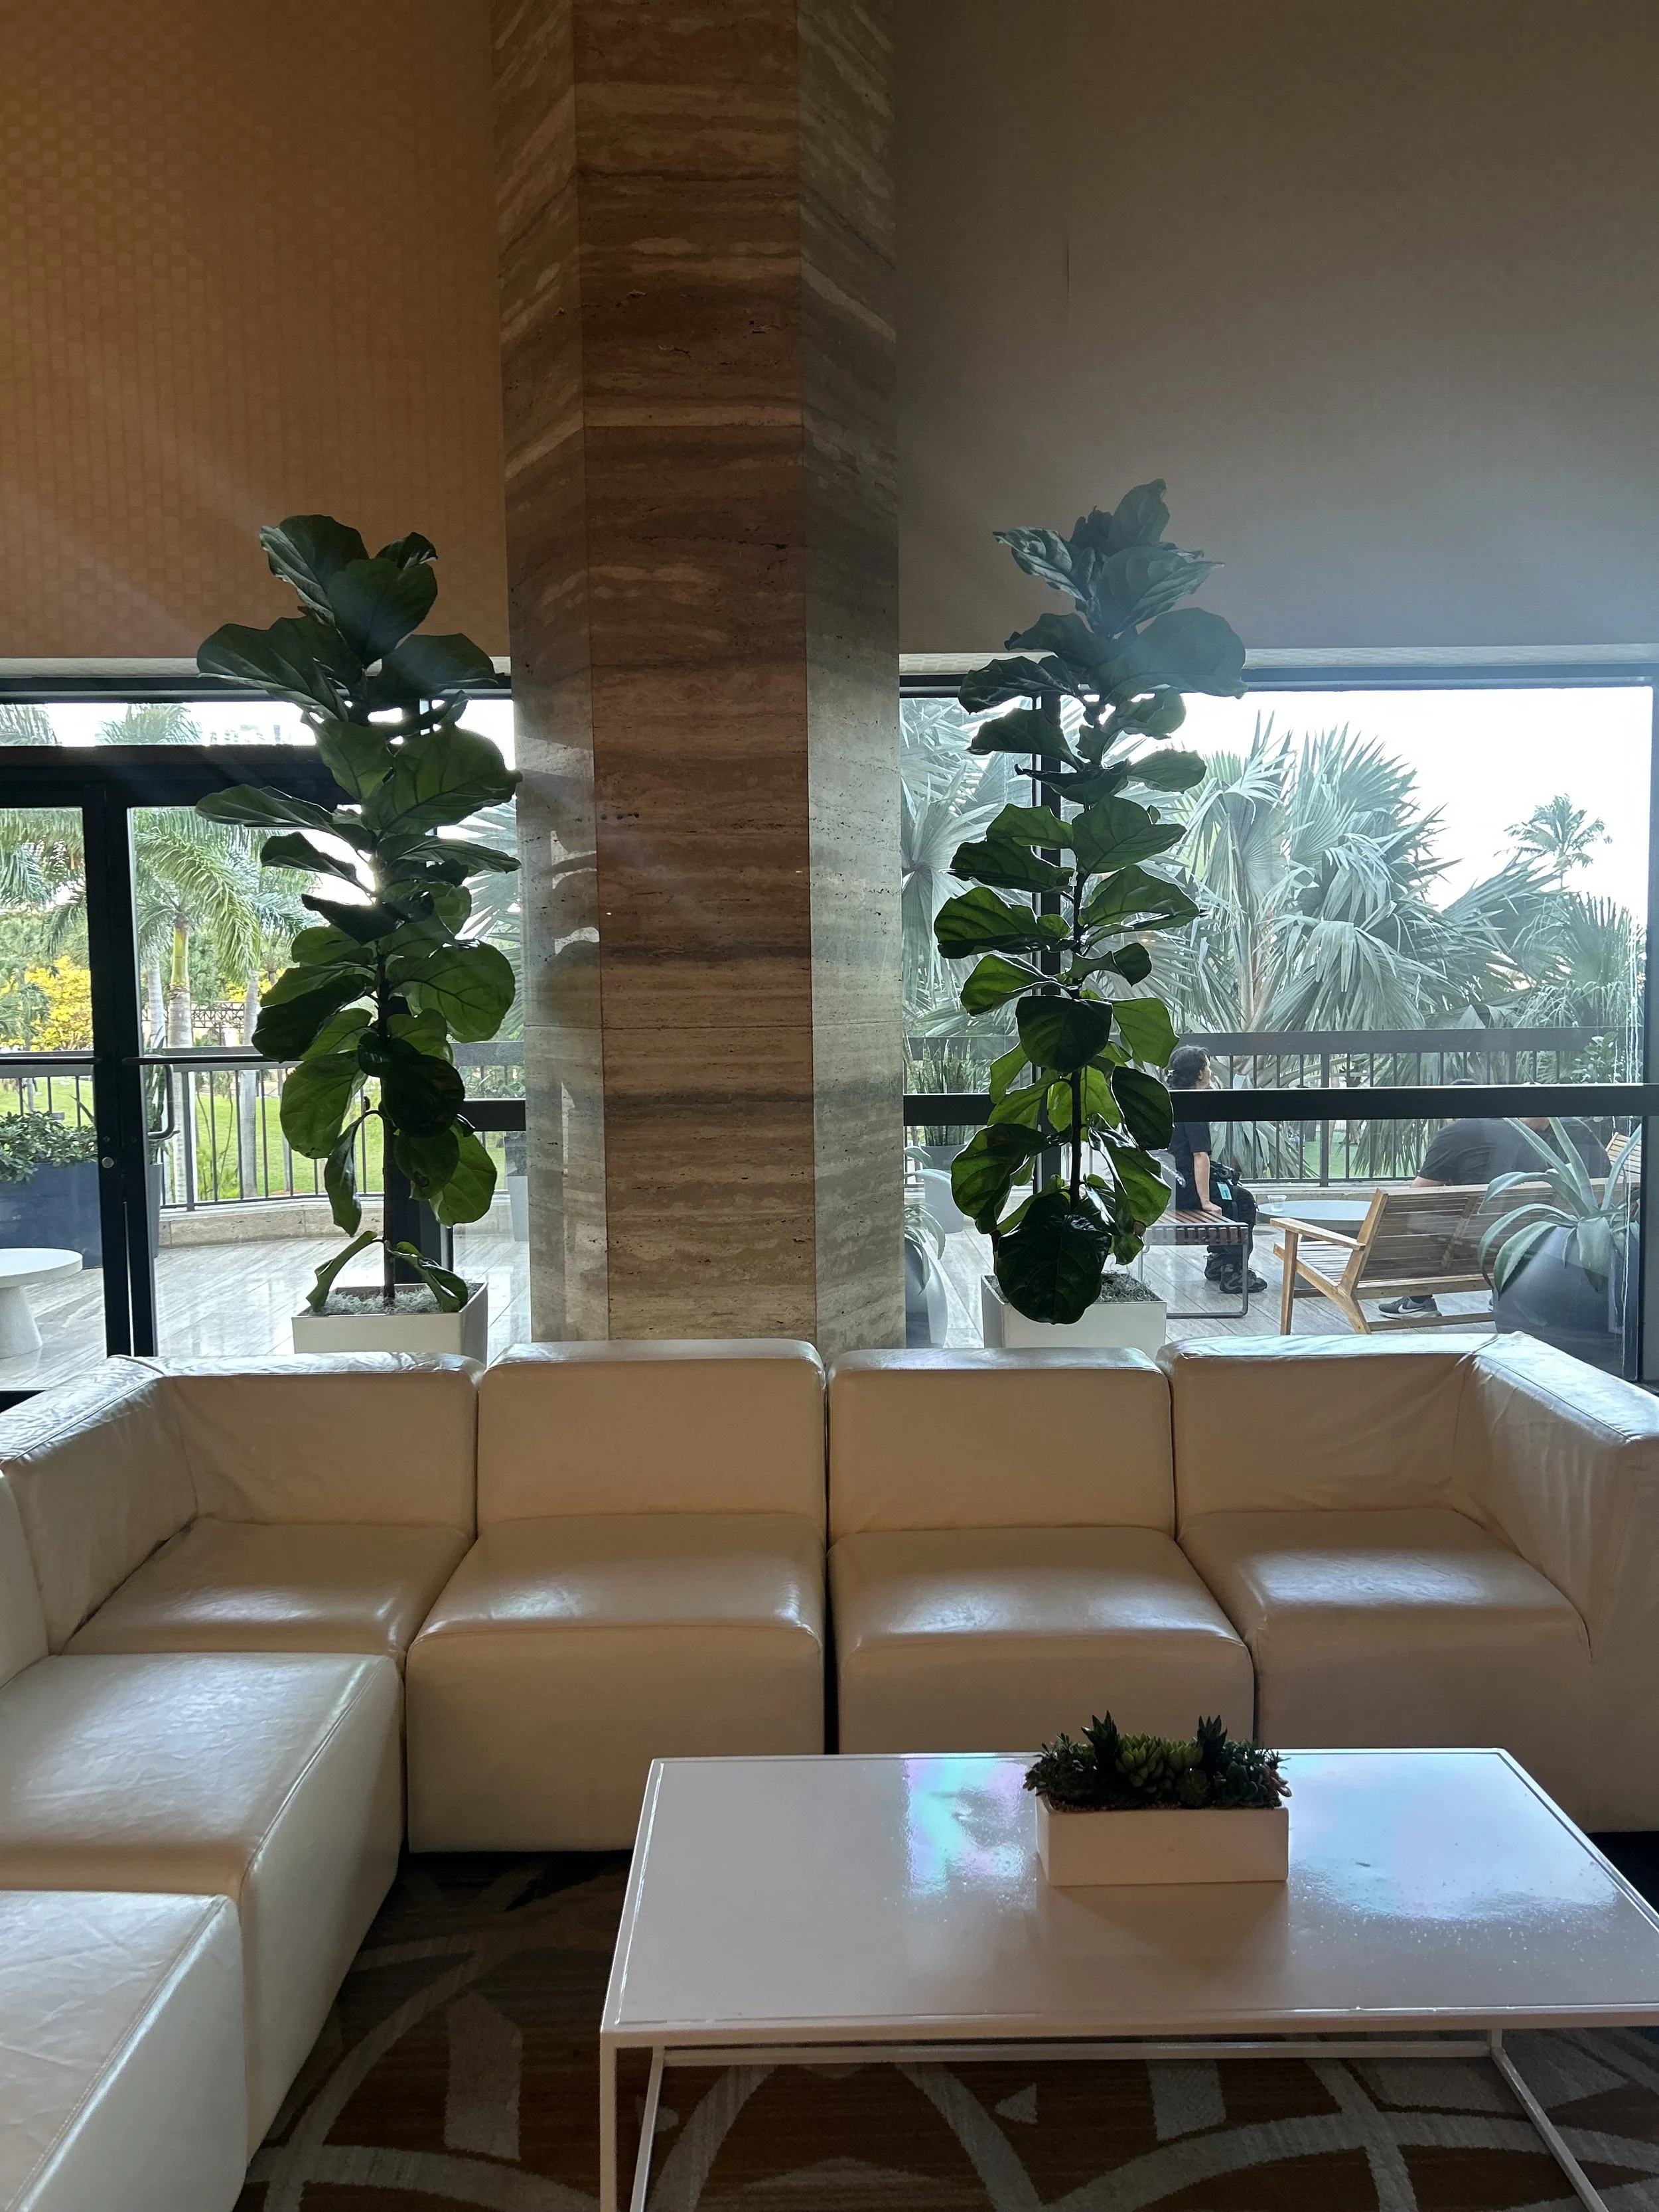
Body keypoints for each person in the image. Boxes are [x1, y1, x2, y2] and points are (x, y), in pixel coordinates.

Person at [1381, 1112, 1613, 1317]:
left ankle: (1417, 1299)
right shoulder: (1525, 1134)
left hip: (1472, 1249)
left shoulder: (1455, 1132)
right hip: (1527, 1247)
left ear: (1451, 1116)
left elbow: (1415, 1195)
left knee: (1416, 1222)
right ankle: (1503, 1292)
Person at [1167, 1045, 1266, 1297]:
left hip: (1169, 1184)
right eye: (1208, 1066)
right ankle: (1234, 1271)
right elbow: (1200, 1156)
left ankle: (1219, 1261)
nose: (1210, 1071)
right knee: (1242, 1201)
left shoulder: (1171, 1099)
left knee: (1230, 1193)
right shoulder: (1194, 1105)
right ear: (1200, 1073)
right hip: (1186, 1188)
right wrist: (1205, 1202)